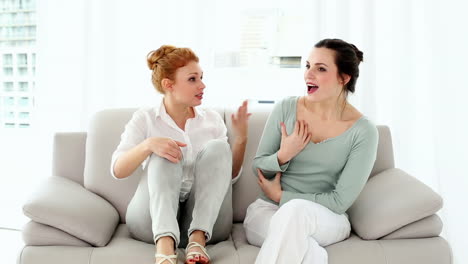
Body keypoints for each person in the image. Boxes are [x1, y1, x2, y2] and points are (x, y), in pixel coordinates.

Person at [110, 45, 250, 264]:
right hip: (151, 222)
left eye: (202, 77)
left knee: (218, 148)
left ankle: (197, 242)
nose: (202, 85)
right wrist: (148, 145)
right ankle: (165, 247)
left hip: (206, 224)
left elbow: (226, 179)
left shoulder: (212, 120)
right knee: (163, 150)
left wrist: (241, 139)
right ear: (169, 85)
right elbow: (118, 170)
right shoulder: (145, 118)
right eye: (193, 79)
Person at [243, 38, 379, 264]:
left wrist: (281, 196)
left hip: (326, 218)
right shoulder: (286, 108)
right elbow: (257, 168)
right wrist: (283, 155)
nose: (309, 74)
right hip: (267, 212)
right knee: (308, 252)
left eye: (321, 68)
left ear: (343, 78)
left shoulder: (363, 132)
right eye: (308, 66)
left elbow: (339, 201)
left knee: (296, 211)